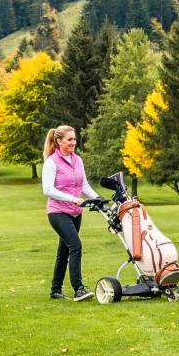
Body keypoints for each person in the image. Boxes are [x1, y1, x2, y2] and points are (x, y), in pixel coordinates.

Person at [41, 124, 101, 301]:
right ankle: (79, 289)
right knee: (75, 245)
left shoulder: (77, 160)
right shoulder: (51, 162)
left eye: (74, 139)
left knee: (64, 251)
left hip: (76, 213)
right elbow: (48, 189)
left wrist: (98, 198)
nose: (73, 142)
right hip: (58, 212)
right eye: (69, 139)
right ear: (59, 141)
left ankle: (55, 290)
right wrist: (72, 198)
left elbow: (84, 186)